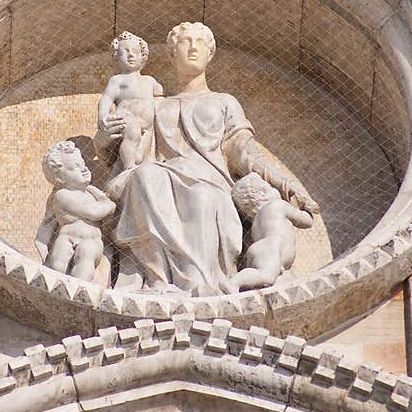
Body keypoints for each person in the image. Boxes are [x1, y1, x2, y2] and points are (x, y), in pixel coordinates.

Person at [97, 22, 319, 296]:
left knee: (201, 197)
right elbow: (128, 146)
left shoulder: (224, 101)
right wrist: (106, 136)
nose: (192, 47)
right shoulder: (158, 103)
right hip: (163, 174)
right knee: (144, 177)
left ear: (210, 53)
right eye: (184, 42)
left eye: (199, 42)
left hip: (210, 182)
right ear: (170, 53)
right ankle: (158, 281)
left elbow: (245, 152)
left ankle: (200, 286)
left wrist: (285, 183)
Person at [36, 141, 116, 281]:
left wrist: (101, 198)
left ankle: (79, 288)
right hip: (67, 237)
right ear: (60, 177)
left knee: (85, 264)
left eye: (83, 164)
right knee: (57, 264)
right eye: (75, 167)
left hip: (91, 242)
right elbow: (93, 212)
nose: (84, 169)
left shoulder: (91, 195)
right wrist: (108, 204)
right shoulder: (63, 195)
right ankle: (55, 284)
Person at [226, 173, 314, 292]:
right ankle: (234, 283)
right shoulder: (277, 205)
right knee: (266, 276)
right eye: (270, 187)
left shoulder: (255, 222)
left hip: (259, 250)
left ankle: (245, 284)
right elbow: (306, 221)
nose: (275, 190)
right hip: (273, 247)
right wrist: (305, 208)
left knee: (271, 279)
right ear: (262, 194)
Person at [97, 32, 164, 170]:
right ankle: (128, 167)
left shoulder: (150, 81)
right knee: (132, 134)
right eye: (125, 51)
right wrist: (102, 116)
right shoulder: (117, 80)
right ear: (117, 56)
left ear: (142, 56)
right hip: (126, 119)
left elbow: (161, 100)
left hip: (147, 127)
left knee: (139, 157)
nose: (131, 55)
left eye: (135, 52)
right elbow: (107, 98)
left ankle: (134, 163)